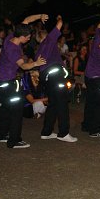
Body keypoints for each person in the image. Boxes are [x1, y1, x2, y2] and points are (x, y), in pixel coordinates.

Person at [0, 14, 48, 149]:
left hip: (2, 80)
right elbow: (23, 66)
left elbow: (27, 20)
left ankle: (1, 135)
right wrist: (36, 63)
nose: (29, 39)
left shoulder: (12, 36)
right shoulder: (13, 49)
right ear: (22, 37)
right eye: (28, 37)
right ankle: (14, 140)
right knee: (17, 110)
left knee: (6, 108)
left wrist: (40, 16)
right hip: (7, 82)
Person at [37, 15, 78, 143]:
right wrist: (59, 17)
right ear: (45, 36)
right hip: (56, 77)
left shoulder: (40, 49)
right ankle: (63, 133)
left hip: (48, 79)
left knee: (53, 105)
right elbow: (60, 24)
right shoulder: (48, 41)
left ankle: (46, 132)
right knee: (62, 104)